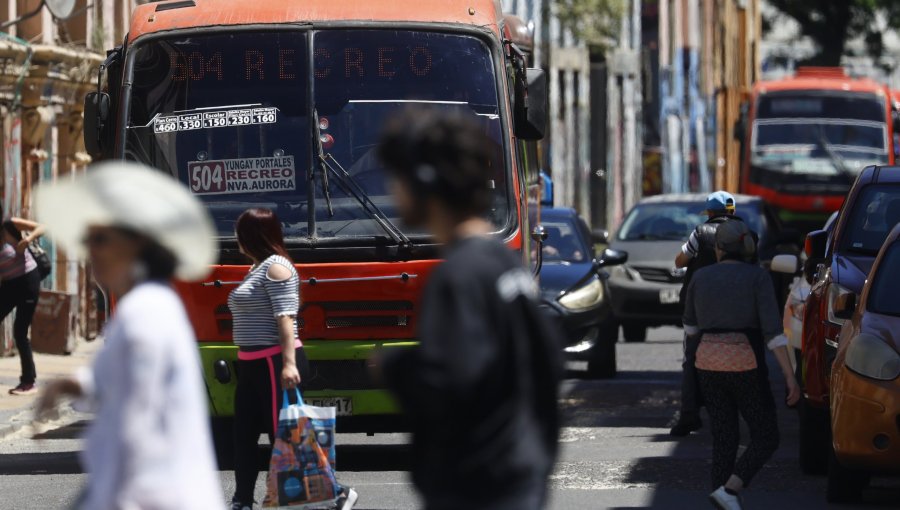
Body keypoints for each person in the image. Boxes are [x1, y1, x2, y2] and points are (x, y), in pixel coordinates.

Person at [374, 108, 563, 510]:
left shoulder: (458, 276)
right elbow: (548, 365)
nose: (393, 192)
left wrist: (394, 367)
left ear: (426, 183)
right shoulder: (505, 266)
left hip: (476, 490)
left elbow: (451, 381)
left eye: (398, 179)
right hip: (518, 482)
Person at [33, 161, 222, 510]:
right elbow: (120, 379)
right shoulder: (149, 303)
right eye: (87, 240)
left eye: (101, 239)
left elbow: (136, 426)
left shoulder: (144, 313)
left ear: (138, 241)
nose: (91, 252)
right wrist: (69, 386)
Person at [228, 208, 357, 510]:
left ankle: (336, 493)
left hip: (275, 362)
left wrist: (287, 364)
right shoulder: (257, 267)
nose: (235, 238)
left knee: (284, 435)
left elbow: (286, 319)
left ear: (251, 235)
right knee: (243, 435)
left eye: (239, 231)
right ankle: (242, 500)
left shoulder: (277, 267)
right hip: (251, 363)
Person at [682, 220, 800, 510]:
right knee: (766, 435)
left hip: (706, 363)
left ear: (718, 248)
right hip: (744, 362)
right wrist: (790, 377)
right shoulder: (757, 277)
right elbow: (773, 334)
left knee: (724, 438)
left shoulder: (701, 277)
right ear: (746, 247)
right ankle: (732, 488)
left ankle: (722, 497)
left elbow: (690, 328)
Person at [669, 191, 756, 436]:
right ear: (733, 211)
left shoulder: (700, 232)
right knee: (746, 358)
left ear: (709, 213)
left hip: (701, 307)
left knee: (692, 358)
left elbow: (680, 261)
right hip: (739, 307)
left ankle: (689, 416)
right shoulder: (749, 235)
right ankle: (749, 415)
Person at [1, 217, 46, 395]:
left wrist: (27, 239)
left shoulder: (9, 225)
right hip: (9, 285)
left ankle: (28, 382)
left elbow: (43, 226)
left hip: (28, 280)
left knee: (19, 331)